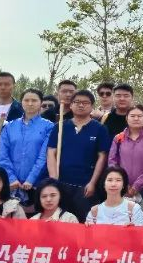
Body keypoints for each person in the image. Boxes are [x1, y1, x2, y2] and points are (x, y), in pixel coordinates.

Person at [46, 89, 111, 222]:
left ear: (92, 106)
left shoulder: (99, 129)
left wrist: (92, 183)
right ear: (71, 105)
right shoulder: (60, 126)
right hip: (62, 183)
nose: (81, 105)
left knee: (84, 223)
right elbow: (51, 152)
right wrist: (53, 179)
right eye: (77, 102)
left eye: (85, 103)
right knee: (62, 222)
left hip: (85, 186)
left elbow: (102, 157)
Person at [0, 88, 54, 215]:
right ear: (21, 102)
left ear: (40, 103)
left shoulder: (49, 127)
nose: (30, 103)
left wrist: (31, 179)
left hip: (37, 184)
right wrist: (11, 178)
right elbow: (3, 156)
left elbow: (44, 156)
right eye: (26, 100)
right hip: (12, 184)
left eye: (34, 100)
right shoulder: (9, 126)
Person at [108, 105, 143, 212]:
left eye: (139, 116)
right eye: (132, 116)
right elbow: (112, 162)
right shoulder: (119, 138)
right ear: (127, 118)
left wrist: (137, 185)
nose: (136, 118)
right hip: (121, 187)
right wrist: (123, 182)